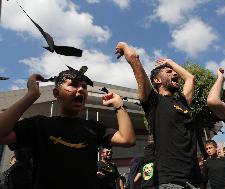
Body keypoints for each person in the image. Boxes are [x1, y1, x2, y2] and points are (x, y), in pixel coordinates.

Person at [0, 66, 135, 189]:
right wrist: (31, 95)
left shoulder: (94, 127)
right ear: (57, 93)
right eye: (73, 85)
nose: (81, 89)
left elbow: (127, 139)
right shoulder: (39, 125)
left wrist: (119, 106)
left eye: (84, 86)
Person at [116, 42, 202, 189]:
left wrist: (170, 63)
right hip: (171, 180)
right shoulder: (153, 101)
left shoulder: (182, 102)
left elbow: (190, 78)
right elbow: (134, 58)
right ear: (157, 81)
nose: (174, 73)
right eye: (168, 72)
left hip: (194, 179)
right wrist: (123, 46)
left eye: (174, 71)